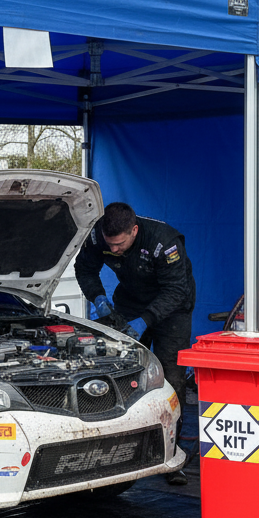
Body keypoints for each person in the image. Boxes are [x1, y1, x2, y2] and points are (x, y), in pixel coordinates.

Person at [75, 202, 195, 485]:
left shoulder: (164, 242)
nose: (114, 250)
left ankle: (172, 454)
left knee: (171, 376)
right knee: (119, 371)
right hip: (129, 302)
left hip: (172, 308)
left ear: (135, 230)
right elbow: (85, 269)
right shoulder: (98, 236)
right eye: (110, 245)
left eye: (120, 244)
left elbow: (176, 290)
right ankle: (119, 447)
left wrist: (145, 321)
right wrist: (99, 299)